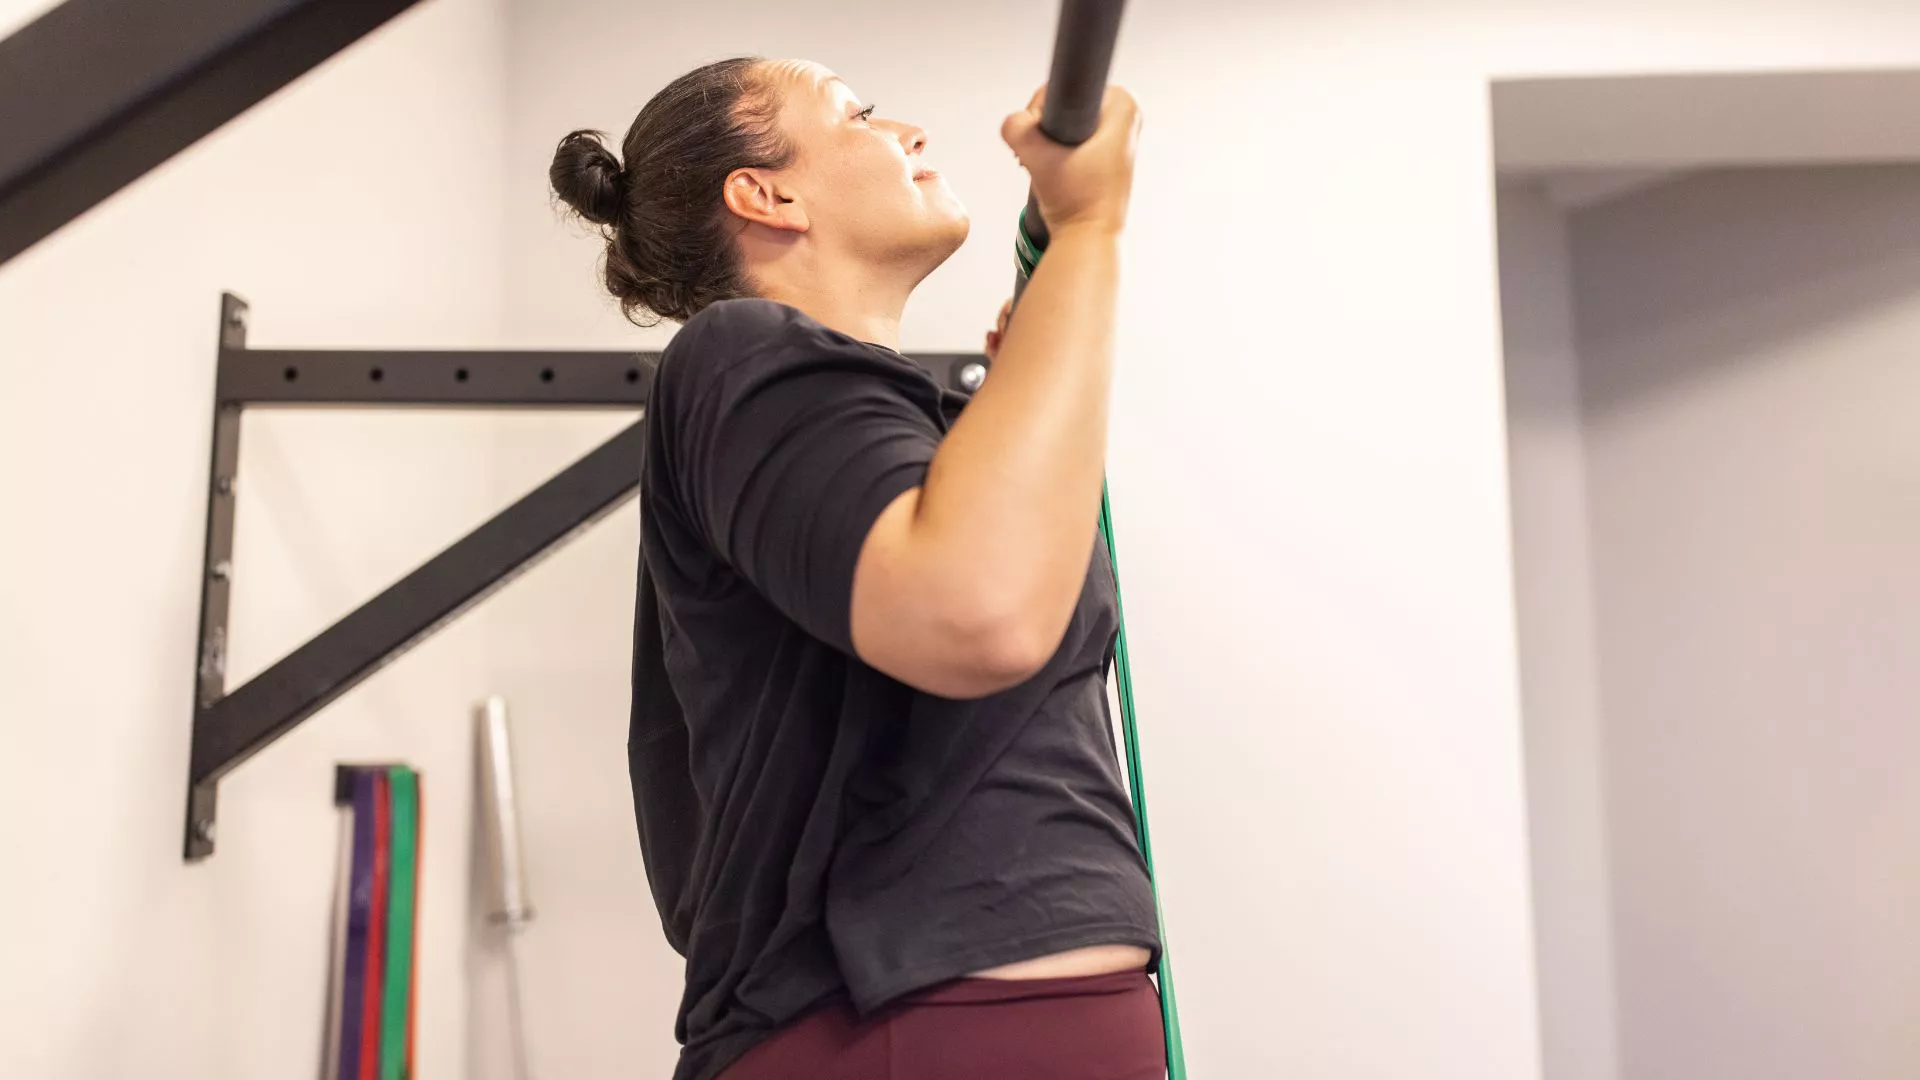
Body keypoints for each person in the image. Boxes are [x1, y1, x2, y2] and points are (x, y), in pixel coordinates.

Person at [548, 56, 1155, 1080]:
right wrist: (1089, 233)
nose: (909, 130)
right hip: (890, 1028)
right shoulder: (736, 354)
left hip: (1028, 1014)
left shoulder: (921, 442)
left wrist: (1009, 419)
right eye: (861, 114)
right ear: (765, 192)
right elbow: (978, 614)